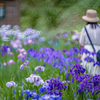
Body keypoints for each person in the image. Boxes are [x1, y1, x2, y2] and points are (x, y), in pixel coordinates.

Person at [78, 9, 100, 76]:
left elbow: (81, 43)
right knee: (97, 70)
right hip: (99, 51)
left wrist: (80, 53)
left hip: (87, 51)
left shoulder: (85, 29)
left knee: (88, 69)